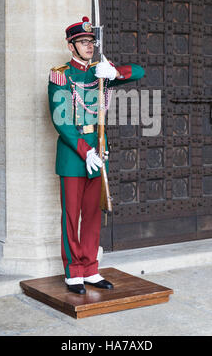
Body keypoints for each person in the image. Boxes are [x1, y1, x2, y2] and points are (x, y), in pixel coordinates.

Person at [48, 16, 145, 294]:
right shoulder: (61, 75)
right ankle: (73, 272)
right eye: (82, 42)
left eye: (91, 41)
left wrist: (114, 73)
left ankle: (90, 269)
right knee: (72, 215)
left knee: (92, 214)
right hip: (74, 155)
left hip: (99, 153)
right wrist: (84, 150)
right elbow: (61, 120)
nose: (89, 46)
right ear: (71, 46)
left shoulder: (99, 73)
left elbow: (139, 71)